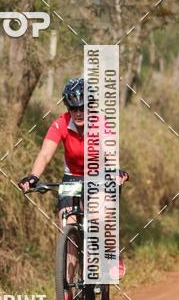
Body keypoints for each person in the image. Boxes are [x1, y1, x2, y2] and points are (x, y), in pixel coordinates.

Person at [18, 77, 129, 284]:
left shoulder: (100, 124)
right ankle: (67, 288)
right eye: (73, 108)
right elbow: (45, 154)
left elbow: (111, 153)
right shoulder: (60, 123)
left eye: (83, 108)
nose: (78, 113)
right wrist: (34, 177)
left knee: (102, 215)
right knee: (67, 227)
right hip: (72, 178)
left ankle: (112, 254)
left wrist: (115, 171)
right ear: (68, 108)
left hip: (98, 176)